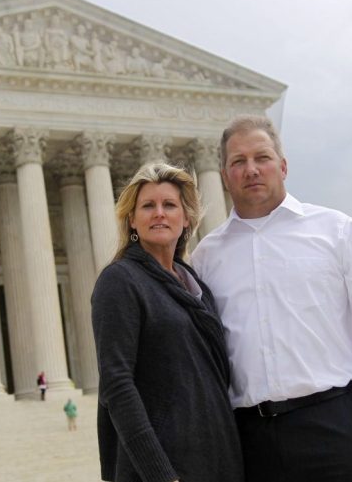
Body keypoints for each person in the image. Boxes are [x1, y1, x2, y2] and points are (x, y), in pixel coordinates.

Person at [192, 115, 352, 482]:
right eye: (238, 162)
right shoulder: (207, 257)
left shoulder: (336, 231)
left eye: (262, 158)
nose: (251, 170)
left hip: (334, 427)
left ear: (284, 166)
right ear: (225, 176)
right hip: (250, 437)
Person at [92, 163, 243, 482]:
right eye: (147, 206)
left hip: (217, 461)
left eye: (169, 205)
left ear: (186, 218)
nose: (159, 213)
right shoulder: (119, 280)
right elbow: (117, 384)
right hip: (163, 469)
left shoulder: (198, 287)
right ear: (132, 219)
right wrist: (160, 475)